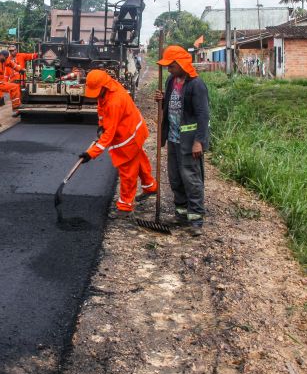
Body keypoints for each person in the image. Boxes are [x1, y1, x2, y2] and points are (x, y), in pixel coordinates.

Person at [78, 69, 158, 218]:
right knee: (139, 160)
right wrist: (101, 124)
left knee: (127, 171)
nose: (95, 94)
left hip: (129, 136)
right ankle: (150, 187)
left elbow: (109, 134)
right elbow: (102, 107)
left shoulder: (115, 102)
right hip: (135, 127)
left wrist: (91, 153)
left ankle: (125, 207)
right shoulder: (109, 88)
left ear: (104, 86)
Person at [154, 45, 210, 236]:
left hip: (189, 140)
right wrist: (162, 98)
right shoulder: (171, 80)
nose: (168, 69)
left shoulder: (196, 85)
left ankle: (195, 218)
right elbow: (170, 103)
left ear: (180, 64)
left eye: (171, 65)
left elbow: (203, 115)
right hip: (173, 137)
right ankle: (181, 212)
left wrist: (199, 141)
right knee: (175, 176)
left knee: (191, 178)